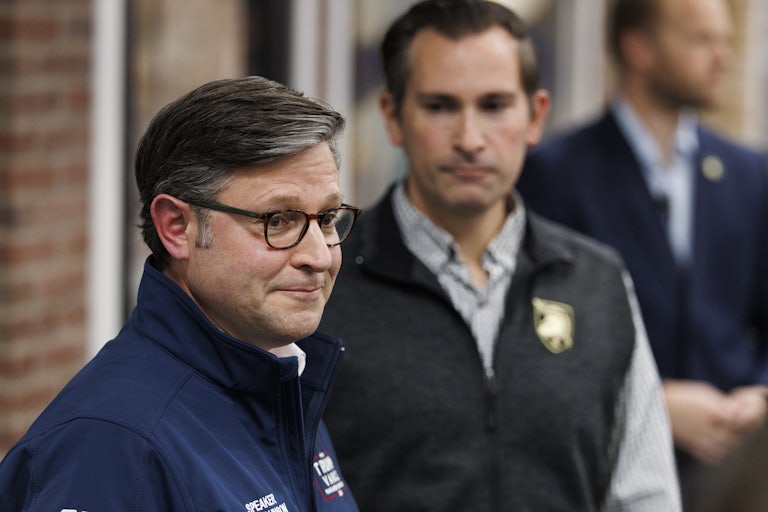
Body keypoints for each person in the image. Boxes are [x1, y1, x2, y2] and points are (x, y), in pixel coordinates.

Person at [319, 1, 680, 510]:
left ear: (535, 116)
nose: (470, 139)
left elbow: (644, 493)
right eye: (440, 106)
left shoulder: (597, 282)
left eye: (494, 106)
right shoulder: (323, 279)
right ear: (393, 117)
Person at [0, 76, 361, 511]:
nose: (319, 257)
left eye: (327, 218)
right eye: (278, 221)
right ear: (176, 227)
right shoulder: (113, 446)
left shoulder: (282, 381)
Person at [517, 0, 768, 504]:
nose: (722, 57)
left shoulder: (750, 174)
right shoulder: (555, 174)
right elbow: (538, 334)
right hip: (612, 471)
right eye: (701, 39)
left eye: (725, 41)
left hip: (741, 473)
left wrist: (761, 395)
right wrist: (653, 403)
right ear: (639, 49)